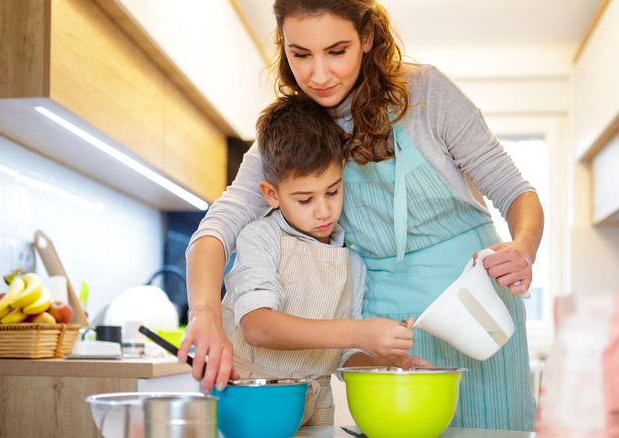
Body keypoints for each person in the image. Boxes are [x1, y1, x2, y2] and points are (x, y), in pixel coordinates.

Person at [179, 0, 544, 431]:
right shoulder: (294, 133)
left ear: (366, 37)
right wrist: (203, 311)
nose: (319, 75)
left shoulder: (425, 94)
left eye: (337, 51)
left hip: (477, 304)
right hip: (379, 320)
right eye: (300, 54)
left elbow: (514, 190)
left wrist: (523, 248)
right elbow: (223, 223)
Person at [220, 94, 423, 426]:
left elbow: (344, 358)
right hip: (253, 400)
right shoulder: (260, 237)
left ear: (342, 171)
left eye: (332, 191)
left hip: (317, 407)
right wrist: (358, 332)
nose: (324, 211)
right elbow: (257, 327)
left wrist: (380, 358)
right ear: (272, 194)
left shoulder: (352, 262)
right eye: (304, 199)